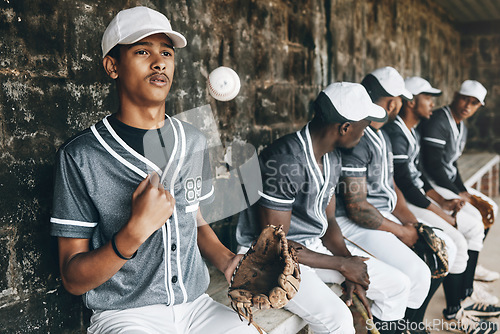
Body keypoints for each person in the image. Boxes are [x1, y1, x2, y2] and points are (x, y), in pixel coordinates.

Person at [50, 6, 259, 333]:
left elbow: (195, 219)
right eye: (142, 51)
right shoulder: (81, 155)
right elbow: (73, 279)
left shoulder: (192, 140)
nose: (159, 61)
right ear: (112, 65)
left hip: (196, 307)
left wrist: (227, 260)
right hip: (125, 315)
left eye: (166, 52)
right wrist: (133, 232)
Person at [237, 82, 417, 334]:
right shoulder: (285, 160)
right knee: (339, 321)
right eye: (364, 126)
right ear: (344, 127)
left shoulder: (332, 156)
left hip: (311, 250)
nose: (365, 133)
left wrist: (349, 263)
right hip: (268, 261)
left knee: (397, 284)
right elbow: (275, 245)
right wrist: (341, 266)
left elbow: (329, 220)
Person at [335, 67, 458, 334]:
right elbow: (356, 208)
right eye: (400, 100)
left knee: (441, 249)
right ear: (393, 103)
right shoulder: (357, 134)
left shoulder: (380, 133)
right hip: (352, 224)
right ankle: (395, 326)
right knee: (415, 273)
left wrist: (413, 224)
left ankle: (410, 326)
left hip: (380, 217)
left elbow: (392, 187)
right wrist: (402, 231)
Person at [384, 76, 500, 332]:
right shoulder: (396, 133)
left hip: (416, 195)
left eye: (474, 103)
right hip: (400, 203)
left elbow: (419, 177)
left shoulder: (410, 131)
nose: (432, 104)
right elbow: (407, 183)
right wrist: (441, 209)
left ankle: (462, 298)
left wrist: (445, 200)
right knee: (457, 239)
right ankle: (454, 309)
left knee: (475, 222)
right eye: (427, 98)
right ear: (411, 102)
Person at [419, 79, 500, 313]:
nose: (468, 105)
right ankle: (466, 287)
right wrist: (459, 193)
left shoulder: (460, 124)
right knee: (473, 218)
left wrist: (463, 189)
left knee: (489, 208)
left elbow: (452, 164)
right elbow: (434, 165)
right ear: (456, 96)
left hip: (445, 182)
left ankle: (470, 270)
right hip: (433, 184)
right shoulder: (439, 120)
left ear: (478, 107)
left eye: (474, 103)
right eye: (465, 99)